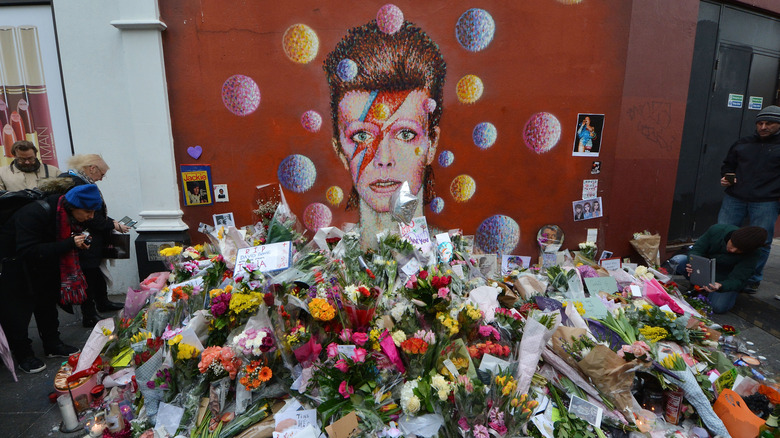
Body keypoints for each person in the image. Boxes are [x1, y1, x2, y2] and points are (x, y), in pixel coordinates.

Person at [324, 20, 446, 249]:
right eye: (362, 136)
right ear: (340, 150)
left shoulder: (453, 259)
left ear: (432, 144)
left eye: (406, 134)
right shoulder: (330, 266)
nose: (383, 158)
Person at [0, 184, 103, 373]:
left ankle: (52, 344)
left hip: (42, 265)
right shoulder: (34, 213)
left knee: (46, 302)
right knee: (18, 313)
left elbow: (54, 239)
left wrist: (74, 241)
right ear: (72, 206)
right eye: (88, 211)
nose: (91, 216)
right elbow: (28, 250)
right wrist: (68, 244)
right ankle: (24, 355)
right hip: (14, 266)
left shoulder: (63, 213)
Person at [60, 154, 129, 327]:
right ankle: (89, 314)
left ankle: (102, 302)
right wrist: (111, 224)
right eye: (102, 174)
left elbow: (94, 213)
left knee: (96, 271)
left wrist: (110, 222)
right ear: (92, 168)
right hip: (84, 237)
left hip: (91, 236)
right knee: (89, 274)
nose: (102, 178)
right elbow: (88, 216)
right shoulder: (76, 183)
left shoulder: (81, 181)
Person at [717, 105, 780, 293]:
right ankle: (721, 272)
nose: (763, 127)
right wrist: (727, 176)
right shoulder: (743, 143)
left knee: (762, 241)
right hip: (735, 197)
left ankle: (752, 278)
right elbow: (728, 165)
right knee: (722, 234)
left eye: (769, 123)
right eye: (760, 123)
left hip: (766, 201)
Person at [668, 224, 766, 314]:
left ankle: (708, 289)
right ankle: (698, 284)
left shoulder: (753, 254)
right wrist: (693, 264)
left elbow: (738, 279)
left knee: (718, 307)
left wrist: (721, 286)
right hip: (705, 267)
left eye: (739, 250)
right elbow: (697, 249)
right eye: (733, 245)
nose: (733, 250)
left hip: (724, 278)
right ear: (732, 237)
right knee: (678, 260)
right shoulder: (717, 231)